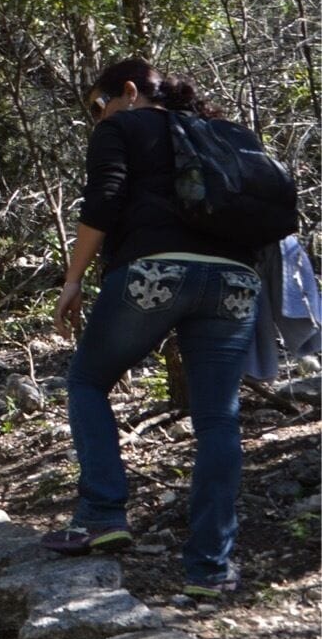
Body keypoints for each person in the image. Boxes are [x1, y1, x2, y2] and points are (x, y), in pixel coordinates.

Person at [46, 57, 273, 601]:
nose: (97, 119)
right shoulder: (228, 132)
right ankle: (210, 568)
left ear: (126, 91)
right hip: (237, 281)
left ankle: (102, 513)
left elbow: (103, 201)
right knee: (218, 416)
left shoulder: (123, 127)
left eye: (97, 106)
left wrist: (73, 280)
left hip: (155, 270)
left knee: (87, 382)